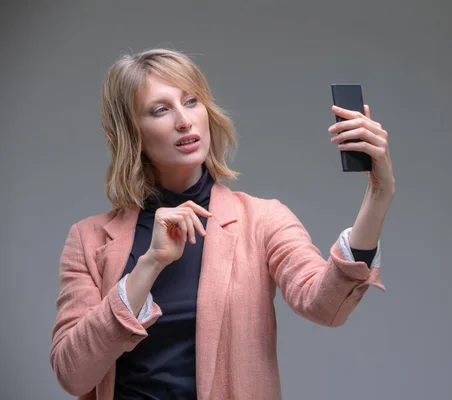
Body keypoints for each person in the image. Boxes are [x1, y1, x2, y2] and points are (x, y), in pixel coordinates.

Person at [50, 48, 395, 400]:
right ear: (131, 134)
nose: (184, 120)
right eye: (160, 110)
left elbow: (327, 306)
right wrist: (149, 265)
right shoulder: (88, 239)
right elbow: (73, 375)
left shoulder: (261, 220)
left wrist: (378, 194)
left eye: (191, 101)